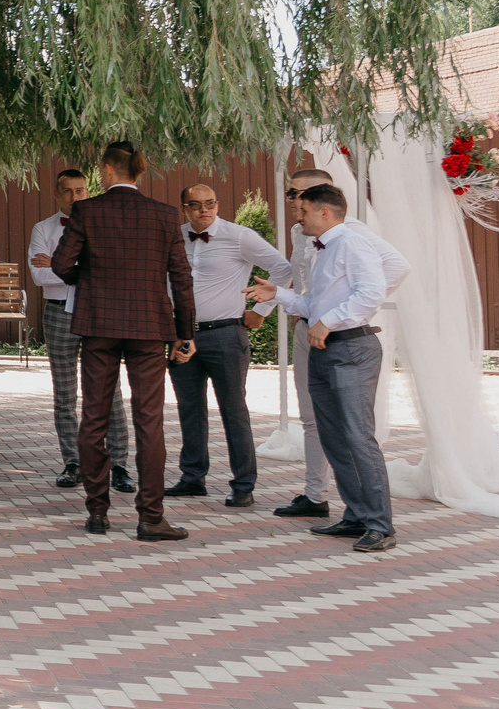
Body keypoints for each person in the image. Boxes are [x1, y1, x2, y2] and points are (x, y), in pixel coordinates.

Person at [50, 141, 195, 541]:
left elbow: (61, 264)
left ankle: (97, 513)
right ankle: (151, 517)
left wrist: (93, 282)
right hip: (149, 327)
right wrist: (186, 333)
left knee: (93, 417)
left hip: (98, 325)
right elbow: (182, 278)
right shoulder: (164, 215)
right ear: (139, 172)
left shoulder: (87, 210)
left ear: (107, 170)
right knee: (149, 421)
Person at [249, 183, 399, 552]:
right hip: (324, 351)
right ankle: (356, 515)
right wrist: (278, 294)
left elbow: (372, 291)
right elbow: (314, 302)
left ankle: (381, 524)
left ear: (325, 213)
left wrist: (329, 321)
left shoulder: (351, 243)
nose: (297, 219)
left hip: (351, 349)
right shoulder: (324, 250)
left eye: (303, 212)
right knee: (333, 437)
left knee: (358, 437)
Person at [165, 182, 292, 508]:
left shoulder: (240, 236)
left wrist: (261, 310)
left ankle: (243, 484)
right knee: (188, 408)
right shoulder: (174, 236)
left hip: (225, 334)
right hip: (182, 336)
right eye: (194, 204)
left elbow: (283, 268)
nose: (203, 210)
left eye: (209, 203)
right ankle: (192, 478)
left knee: (234, 410)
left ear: (218, 205)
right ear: (185, 208)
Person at [28, 168, 132, 491]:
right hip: (59, 313)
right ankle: (72, 462)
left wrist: (61, 265)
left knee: (109, 389)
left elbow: (112, 270)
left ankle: (119, 466)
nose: (76, 196)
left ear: (89, 191)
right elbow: (39, 276)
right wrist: (84, 268)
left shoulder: (103, 224)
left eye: (81, 190)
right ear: (57, 194)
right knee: (64, 392)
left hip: (98, 312)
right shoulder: (42, 229)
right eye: (69, 191)